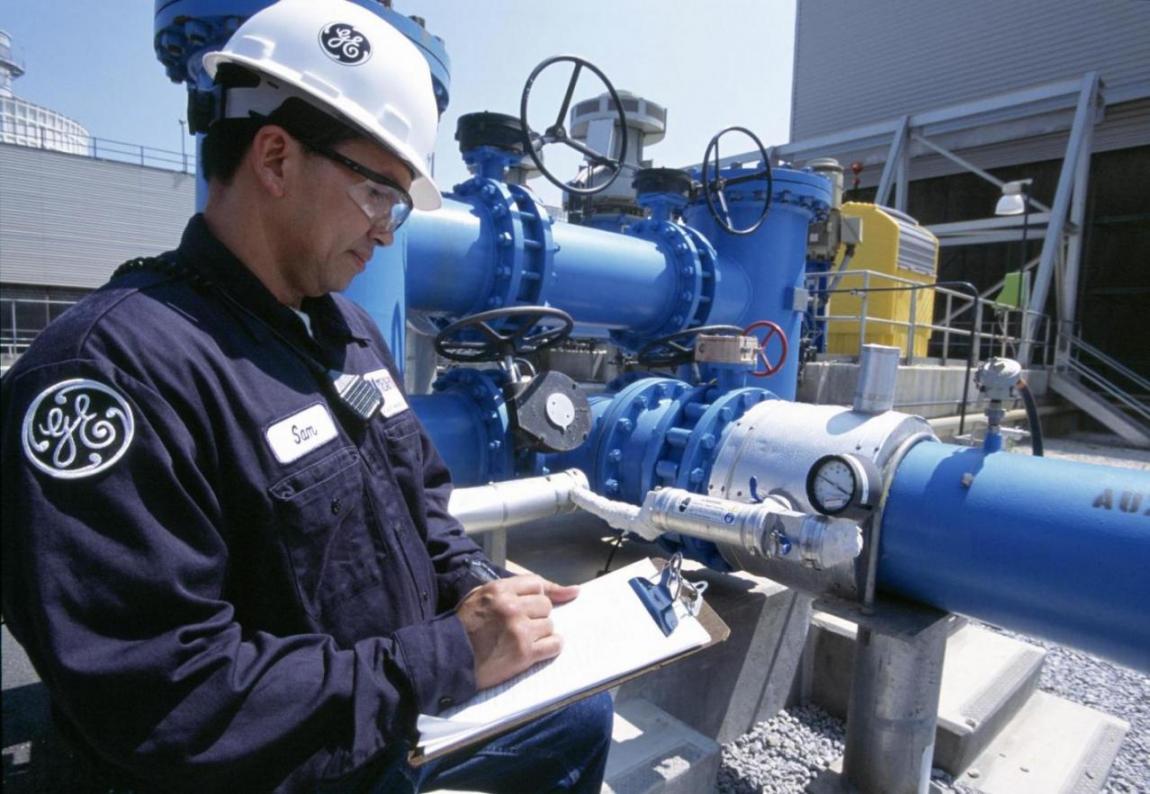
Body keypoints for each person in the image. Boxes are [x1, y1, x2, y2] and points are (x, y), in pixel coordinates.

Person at [0, 1, 613, 791]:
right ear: (276, 158)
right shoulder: (112, 374)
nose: (388, 231)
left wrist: (477, 587)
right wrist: (444, 655)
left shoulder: (346, 332)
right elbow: (165, 699)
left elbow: (423, 507)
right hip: (277, 767)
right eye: (379, 193)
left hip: (386, 714)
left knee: (579, 714)